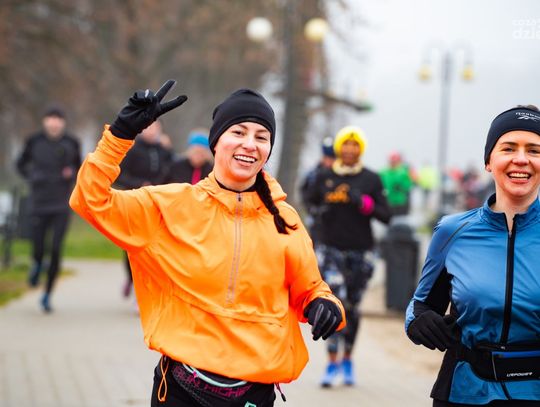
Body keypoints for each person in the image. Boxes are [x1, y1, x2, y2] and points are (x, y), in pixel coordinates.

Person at [69, 80, 346, 406]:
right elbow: (91, 201)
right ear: (216, 142)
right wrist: (120, 135)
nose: (250, 144)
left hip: (254, 394)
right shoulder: (171, 206)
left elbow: (310, 288)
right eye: (238, 132)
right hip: (182, 390)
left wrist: (324, 304)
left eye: (262, 137)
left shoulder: (285, 219)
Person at [405, 105, 540, 406]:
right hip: (465, 391)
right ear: (489, 161)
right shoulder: (452, 231)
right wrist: (419, 322)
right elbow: (420, 304)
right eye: (508, 148)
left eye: (534, 150)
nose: (521, 159)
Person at [303, 126, 392, 387]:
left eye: (355, 146)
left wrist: (364, 203)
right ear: (339, 148)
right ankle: (331, 361)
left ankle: (348, 359)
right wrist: (319, 210)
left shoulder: (371, 179)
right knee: (335, 300)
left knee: (352, 307)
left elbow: (386, 216)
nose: (350, 150)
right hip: (330, 249)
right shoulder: (324, 176)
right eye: (346, 145)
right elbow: (309, 201)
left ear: (360, 150)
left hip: (361, 252)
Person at [16, 106, 81, 312]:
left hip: (61, 204)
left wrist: (71, 174)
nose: (54, 122)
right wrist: (32, 175)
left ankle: (47, 294)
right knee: (38, 246)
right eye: (50, 118)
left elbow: (80, 168)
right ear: (45, 121)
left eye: (58, 119)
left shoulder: (72, 142)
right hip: (38, 203)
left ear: (63, 122)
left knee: (55, 249)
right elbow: (20, 164)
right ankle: (36, 264)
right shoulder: (34, 141)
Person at [114, 119, 173, 299]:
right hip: (134, 201)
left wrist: (169, 149)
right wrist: (139, 184)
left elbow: (172, 170)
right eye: (148, 127)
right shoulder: (132, 149)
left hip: (156, 203)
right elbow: (119, 175)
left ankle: (147, 285)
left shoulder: (163, 150)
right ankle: (131, 278)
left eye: (155, 127)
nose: (152, 130)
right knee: (131, 245)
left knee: (153, 245)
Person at [299, 136, 336, 246]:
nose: (329, 162)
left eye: (332, 158)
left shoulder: (338, 174)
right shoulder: (313, 174)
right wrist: (312, 209)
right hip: (317, 220)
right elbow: (304, 192)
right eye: (327, 158)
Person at [379, 151, 416, 216]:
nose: (393, 163)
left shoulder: (403, 172)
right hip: (388, 201)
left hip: (400, 202)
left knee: (400, 219)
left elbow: (408, 185)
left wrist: (401, 186)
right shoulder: (383, 172)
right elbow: (378, 184)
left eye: (395, 161)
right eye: (392, 161)